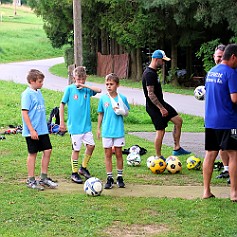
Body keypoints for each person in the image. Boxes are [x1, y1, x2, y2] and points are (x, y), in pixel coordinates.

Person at [202, 43, 237, 201]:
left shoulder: (211, 72)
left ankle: (206, 191)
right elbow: (234, 98)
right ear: (233, 57)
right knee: (234, 154)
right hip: (229, 122)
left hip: (210, 121)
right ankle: (234, 193)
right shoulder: (231, 73)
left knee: (210, 154)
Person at [142, 49, 191, 159]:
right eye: (162, 60)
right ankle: (158, 156)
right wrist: (161, 108)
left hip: (161, 103)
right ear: (156, 59)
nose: (163, 63)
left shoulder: (153, 72)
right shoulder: (149, 74)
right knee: (161, 131)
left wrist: (163, 106)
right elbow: (150, 94)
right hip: (154, 107)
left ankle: (177, 148)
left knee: (178, 121)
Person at [59, 66, 102, 184]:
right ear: (74, 78)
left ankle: (83, 168)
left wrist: (85, 86)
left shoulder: (87, 89)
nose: (80, 82)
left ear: (85, 78)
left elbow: (99, 90)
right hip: (75, 127)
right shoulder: (69, 89)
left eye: (82, 79)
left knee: (91, 146)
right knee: (76, 150)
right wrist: (62, 122)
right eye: (78, 79)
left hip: (86, 126)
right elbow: (62, 105)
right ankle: (74, 173)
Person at [21, 69, 58, 191]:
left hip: (42, 130)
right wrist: (31, 130)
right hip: (32, 131)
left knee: (48, 150)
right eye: (40, 81)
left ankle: (43, 178)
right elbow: (25, 113)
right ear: (32, 81)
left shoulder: (38, 92)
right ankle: (31, 180)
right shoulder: (27, 94)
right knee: (33, 154)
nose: (42, 83)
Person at [97, 73, 130, 189]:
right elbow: (101, 114)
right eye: (107, 84)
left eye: (111, 84)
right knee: (107, 154)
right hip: (106, 131)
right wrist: (98, 129)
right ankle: (109, 177)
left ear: (117, 85)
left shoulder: (122, 98)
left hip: (118, 131)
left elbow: (126, 113)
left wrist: (121, 111)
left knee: (119, 153)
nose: (109, 86)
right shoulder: (103, 98)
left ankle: (119, 176)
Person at [212, 44, 230, 180]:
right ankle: (227, 169)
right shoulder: (212, 72)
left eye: (222, 57)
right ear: (214, 57)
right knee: (220, 147)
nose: (220, 59)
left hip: (229, 118)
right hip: (214, 119)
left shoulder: (231, 73)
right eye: (218, 56)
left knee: (232, 148)